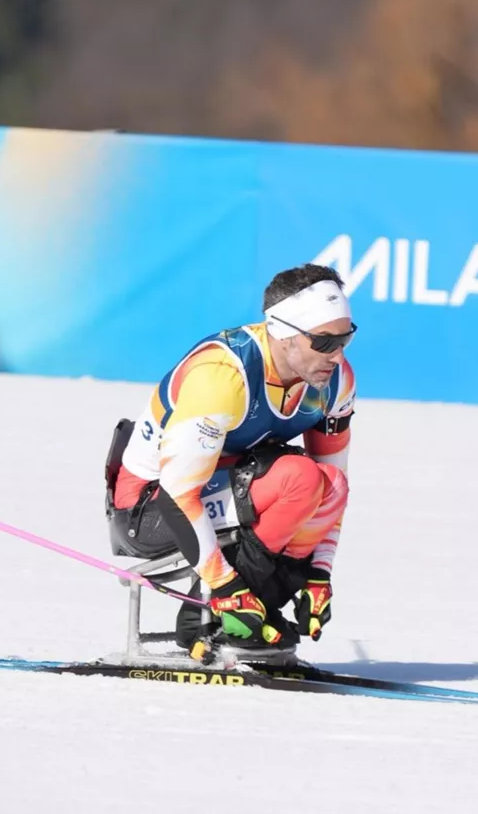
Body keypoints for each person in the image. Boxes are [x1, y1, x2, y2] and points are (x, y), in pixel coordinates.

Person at [107, 263, 356, 655]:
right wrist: (224, 587)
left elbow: (335, 487)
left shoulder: (336, 380)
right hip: (150, 508)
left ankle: (262, 604)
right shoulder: (223, 375)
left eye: (345, 338)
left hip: (226, 488)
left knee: (328, 482)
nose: (336, 354)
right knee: (299, 478)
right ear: (285, 334)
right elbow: (178, 494)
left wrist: (317, 575)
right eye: (324, 342)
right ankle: (207, 613)